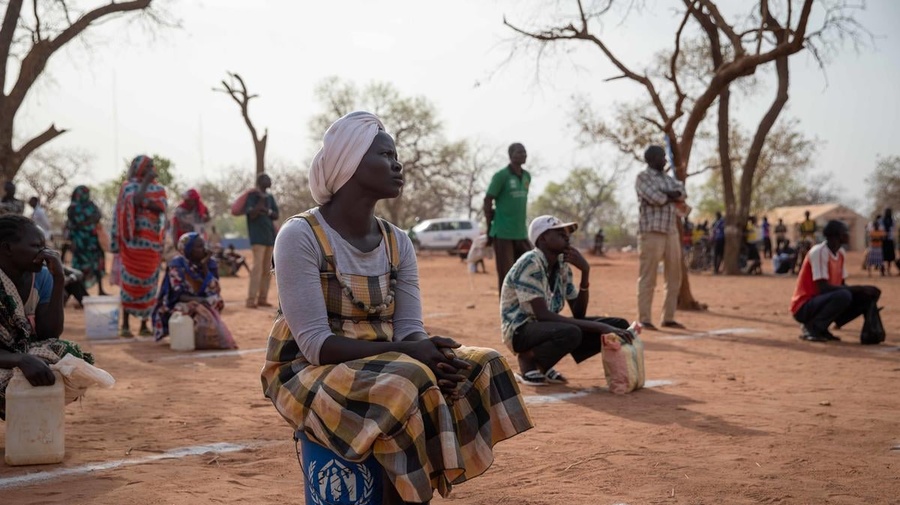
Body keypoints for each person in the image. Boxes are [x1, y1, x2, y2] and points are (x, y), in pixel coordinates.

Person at [261, 111, 532, 504]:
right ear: (350, 163)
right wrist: (411, 354)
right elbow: (316, 345)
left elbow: (409, 329)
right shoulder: (300, 235)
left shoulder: (398, 241)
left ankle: (402, 494)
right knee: (407, 381)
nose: (397, 164)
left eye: (395, 155)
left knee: (484, 364)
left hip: (384, 358)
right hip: (308, 368)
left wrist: (433, 358)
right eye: (385, 155)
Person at [500, 215, 633, 386]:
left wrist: (585, 272)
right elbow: (542, 315)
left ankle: (544, 365)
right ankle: (528, 359)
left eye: (567, 232)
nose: (566, 236)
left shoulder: (562, 265)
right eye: (559, 232)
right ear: (543, 238)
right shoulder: (530, 263)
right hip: (520, 330)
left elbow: (578, 313)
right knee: (572, 331)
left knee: (619, 325)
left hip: (545, 327)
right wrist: (600, 326)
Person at [0, 215, 94, 419]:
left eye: (45, 246)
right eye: (36, 246)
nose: (45, 253)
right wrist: (19, 359)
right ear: (7, 249)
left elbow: (49, 333)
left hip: (14, 352)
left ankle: (28, 427)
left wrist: (58, 279)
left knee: (68, 356)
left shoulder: (42, 276)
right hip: (8, 356)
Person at [790, 220, 881, 342]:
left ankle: (823, 327)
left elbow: (841, 285)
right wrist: (859, 287)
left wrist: (864, 291)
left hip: (823, 300)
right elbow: (823, 288)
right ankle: (812, 327)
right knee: (844, 295)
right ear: (838, 235)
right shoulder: (819, 252)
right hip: (804, 306)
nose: (848, 235)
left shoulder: (840, 253)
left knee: (866, 295)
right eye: (845, 232)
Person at [110, 155, 167, 337]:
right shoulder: (128, 187)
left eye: (152, 165)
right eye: (147, 166)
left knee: (149, 286)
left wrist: (147, 203)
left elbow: (161, 208)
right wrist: (146, 196)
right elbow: (133, 202)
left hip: (152, 246)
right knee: (129, 285)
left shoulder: (158, 188)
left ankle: (144, 325)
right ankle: (125, 325)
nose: (152, 169)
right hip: (132, 245)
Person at [152, 232, 237, 350]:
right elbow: (178, 294)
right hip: (178, 302)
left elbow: (214, 289)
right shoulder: (177, 265)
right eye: (199, 246)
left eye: (203, 246)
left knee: (216, 300)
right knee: (187, 308)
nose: (204, 249)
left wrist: (204, 266)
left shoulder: (210, 263)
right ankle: (187, 333)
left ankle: (202, 334)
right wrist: (198, 300)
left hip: (201, 300)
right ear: (188, 250)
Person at [635, 145, 685, 330]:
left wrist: (670, 195)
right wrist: (671, 195)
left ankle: (668, 317)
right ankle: (645, 319)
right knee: (648, 277)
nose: (665, 160)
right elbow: (657, 198)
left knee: (674, 276)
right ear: (652, 159)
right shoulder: (642, 177)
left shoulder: (668, 179)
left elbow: (682, 192)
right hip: (651, 231)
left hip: (671, 231)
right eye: (662, 157)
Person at [484, 143, 531, 293]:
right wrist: (489, 228)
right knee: (506, 275)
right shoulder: (501, 176)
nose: (523, 155)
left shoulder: (526, 176)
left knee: (527, 271)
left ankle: (523, 309)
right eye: (519, 152)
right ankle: (506, 312)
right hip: (503, 232)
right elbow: (488, 199)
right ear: (511, 155)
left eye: (524, 152)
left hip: (521, 233)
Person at [244, 173, 278, 308]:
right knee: (257, 269)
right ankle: (251, 300)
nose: (270, 181)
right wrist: (260, 204)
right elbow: (251, 214)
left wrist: (267, 210)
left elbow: (276, 214)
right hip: (257, 238)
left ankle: (262, 298)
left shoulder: (270, 197)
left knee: (267, 270)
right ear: (260, 182)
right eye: (267, 179)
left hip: (269, 237)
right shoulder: (252, 197)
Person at [65, 186, 107, 296]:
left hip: (92, 241)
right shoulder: (73, 208)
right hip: (80, 242)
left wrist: (85, 222)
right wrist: (89, 221)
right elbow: (74, 224)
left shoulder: (90, 205)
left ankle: (100, 290)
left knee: (97, 265)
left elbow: (97, 216)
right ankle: (80, 294)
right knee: (80, 267)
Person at [882, 208, 895, 276]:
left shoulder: (884, 220)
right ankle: (886, 271)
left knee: (886, 257)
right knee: (887, 257)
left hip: (886, 240)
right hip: (887, 240)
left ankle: (885, 271)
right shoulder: (891, 221)